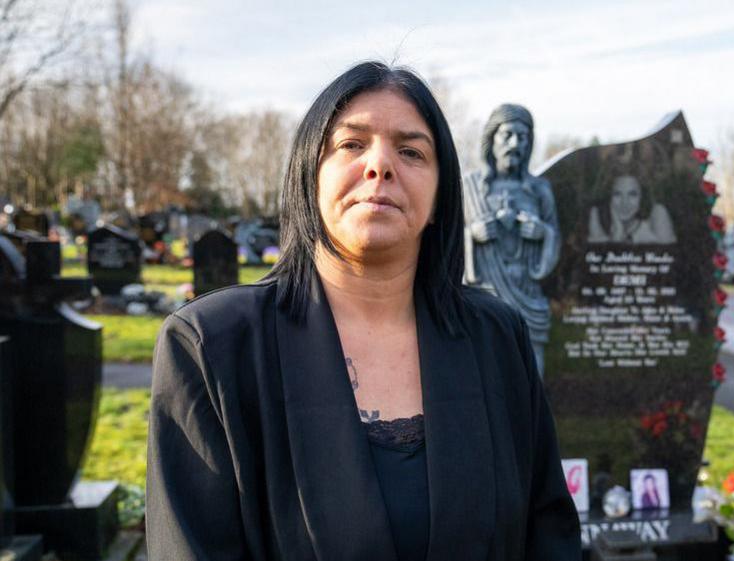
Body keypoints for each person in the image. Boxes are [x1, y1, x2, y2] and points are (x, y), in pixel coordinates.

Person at [146, 62, 581, 560]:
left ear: (441, 196)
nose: (381, 165)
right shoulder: (210, 347)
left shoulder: (497, 336)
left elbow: (549, 534)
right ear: (309, 173)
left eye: (412, 151)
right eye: (352, 145)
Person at [463, 104, 560, 376]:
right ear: (491, 139)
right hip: (486, 295)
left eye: (523, 136)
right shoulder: (470, 187)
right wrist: (472, 235)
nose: (515, 144)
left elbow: (555, 236)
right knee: (486, 367)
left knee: (532, 365)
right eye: (507, 136)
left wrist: (543, 234)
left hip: (527, 293)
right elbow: (445, 242)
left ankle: (530, 417)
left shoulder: (539, 190)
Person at [587, 175, 676, 244]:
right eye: (617, 194)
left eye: (632, 194)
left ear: (642, 197)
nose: (625, 203)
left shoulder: (657, 214)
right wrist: (618, 234)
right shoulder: (597, 216)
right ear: (609, 197)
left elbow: (668, 258)